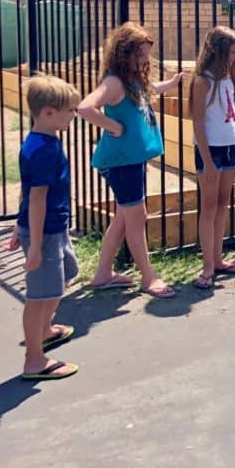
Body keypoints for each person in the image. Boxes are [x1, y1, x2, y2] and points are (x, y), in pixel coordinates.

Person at [78, 22, 183, 298]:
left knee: (124, 218)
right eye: (141, 55)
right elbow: (85, 107)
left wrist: (170, 84)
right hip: (122, 162)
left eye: (147, 55)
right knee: (137, 218)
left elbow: (149, 91)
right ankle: (148, 278)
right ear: (125, 53)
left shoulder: (134, 80)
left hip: (131, 161)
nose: (145, 60)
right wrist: (111, 126)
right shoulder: (114, 82)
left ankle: (102, 274)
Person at [16, 75, 81, 380]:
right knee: (38, 295)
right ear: (48, 113)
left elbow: (26, 193)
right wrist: (36, 247)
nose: (74, 115)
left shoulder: (46, 141)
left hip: (55, 227)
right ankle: (34, 360)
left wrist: (19, 226)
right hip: (46, 233)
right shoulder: (41, 150)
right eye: (70, 110)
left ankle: (44, 329)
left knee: (64, 276)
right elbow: (37, 199)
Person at [189, 26, 235, 290]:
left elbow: (234, 116)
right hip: (210, 150)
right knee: (209, 207)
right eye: (232, 53)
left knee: (223, 204)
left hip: (230, 146)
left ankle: (219, 259)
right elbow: (199, 124)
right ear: (218, 51)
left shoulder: (228, 78)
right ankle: (207, 267)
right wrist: (208, 161)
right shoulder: (203, 81)